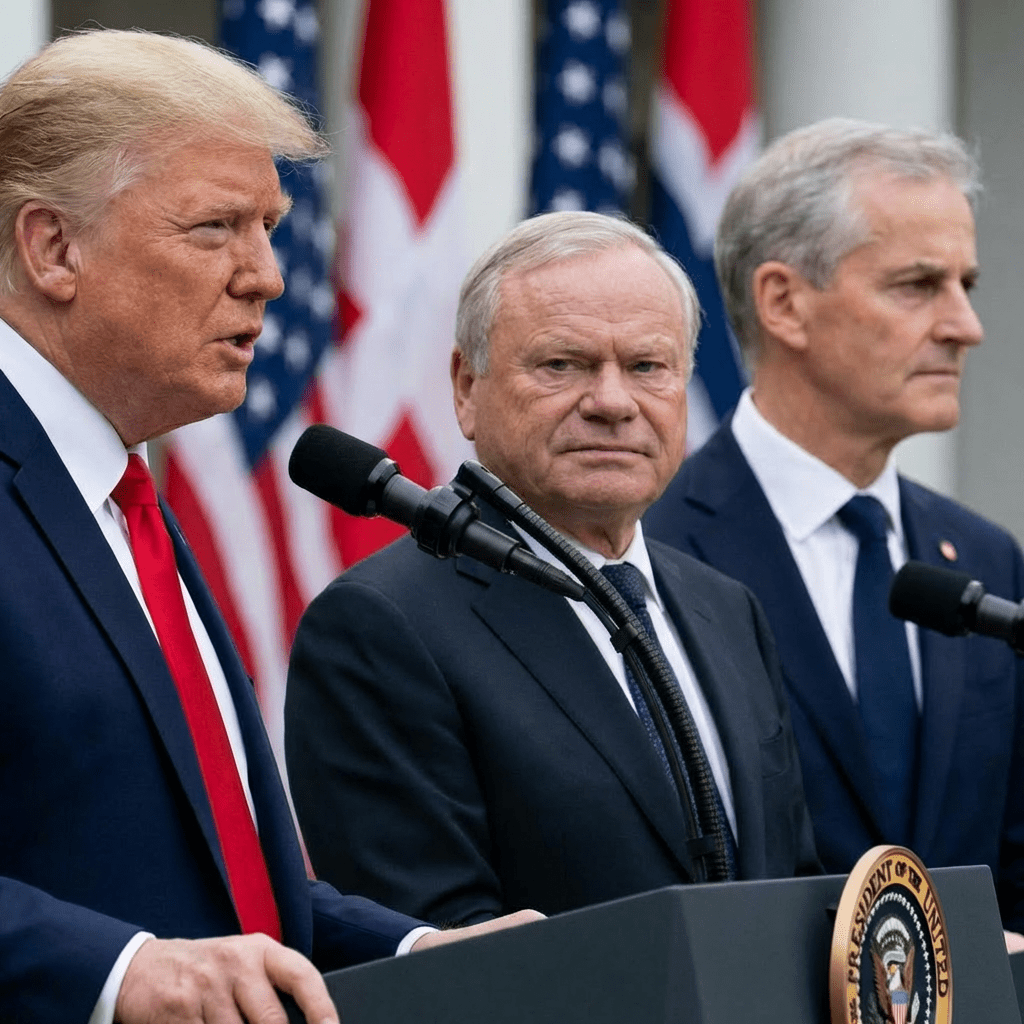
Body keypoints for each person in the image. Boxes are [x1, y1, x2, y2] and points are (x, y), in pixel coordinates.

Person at [0, 28, 535, 1024]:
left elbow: (231, 893)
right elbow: (159, 948)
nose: (269, 277)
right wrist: (121, 974)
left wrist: (426, 950)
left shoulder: (124, 498)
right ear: (53, 247)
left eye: (271, 226)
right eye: (215, 228)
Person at [285, 211, 819, 928]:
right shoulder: (380, 626)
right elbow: (435, 956)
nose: (611, 402)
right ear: (466, 387)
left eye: (647, 367)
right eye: (562, 364)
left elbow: (794, 888)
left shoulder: (725, 609)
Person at [643, 119, 1024, 937]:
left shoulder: (985, 563)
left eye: (966, 284)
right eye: (918, 285)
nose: (965, 325)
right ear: (784, 302)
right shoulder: (649, 547)